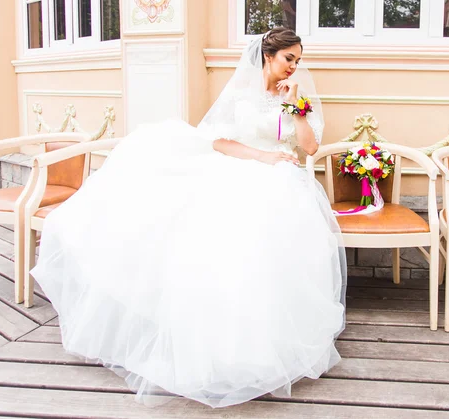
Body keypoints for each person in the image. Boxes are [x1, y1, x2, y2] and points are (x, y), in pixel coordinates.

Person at [31, 27, 346, 408]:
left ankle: (265, 342)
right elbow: (218, 141)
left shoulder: (296, 97)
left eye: (298, 60)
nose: (294, 67)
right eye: (288, 59)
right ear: (268, 56)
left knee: (267, 250)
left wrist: (296, 107)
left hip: (282, 179)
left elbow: (309, 146)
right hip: (242, 168)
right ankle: (207, 341)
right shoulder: (241, 93)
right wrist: (262, 156)